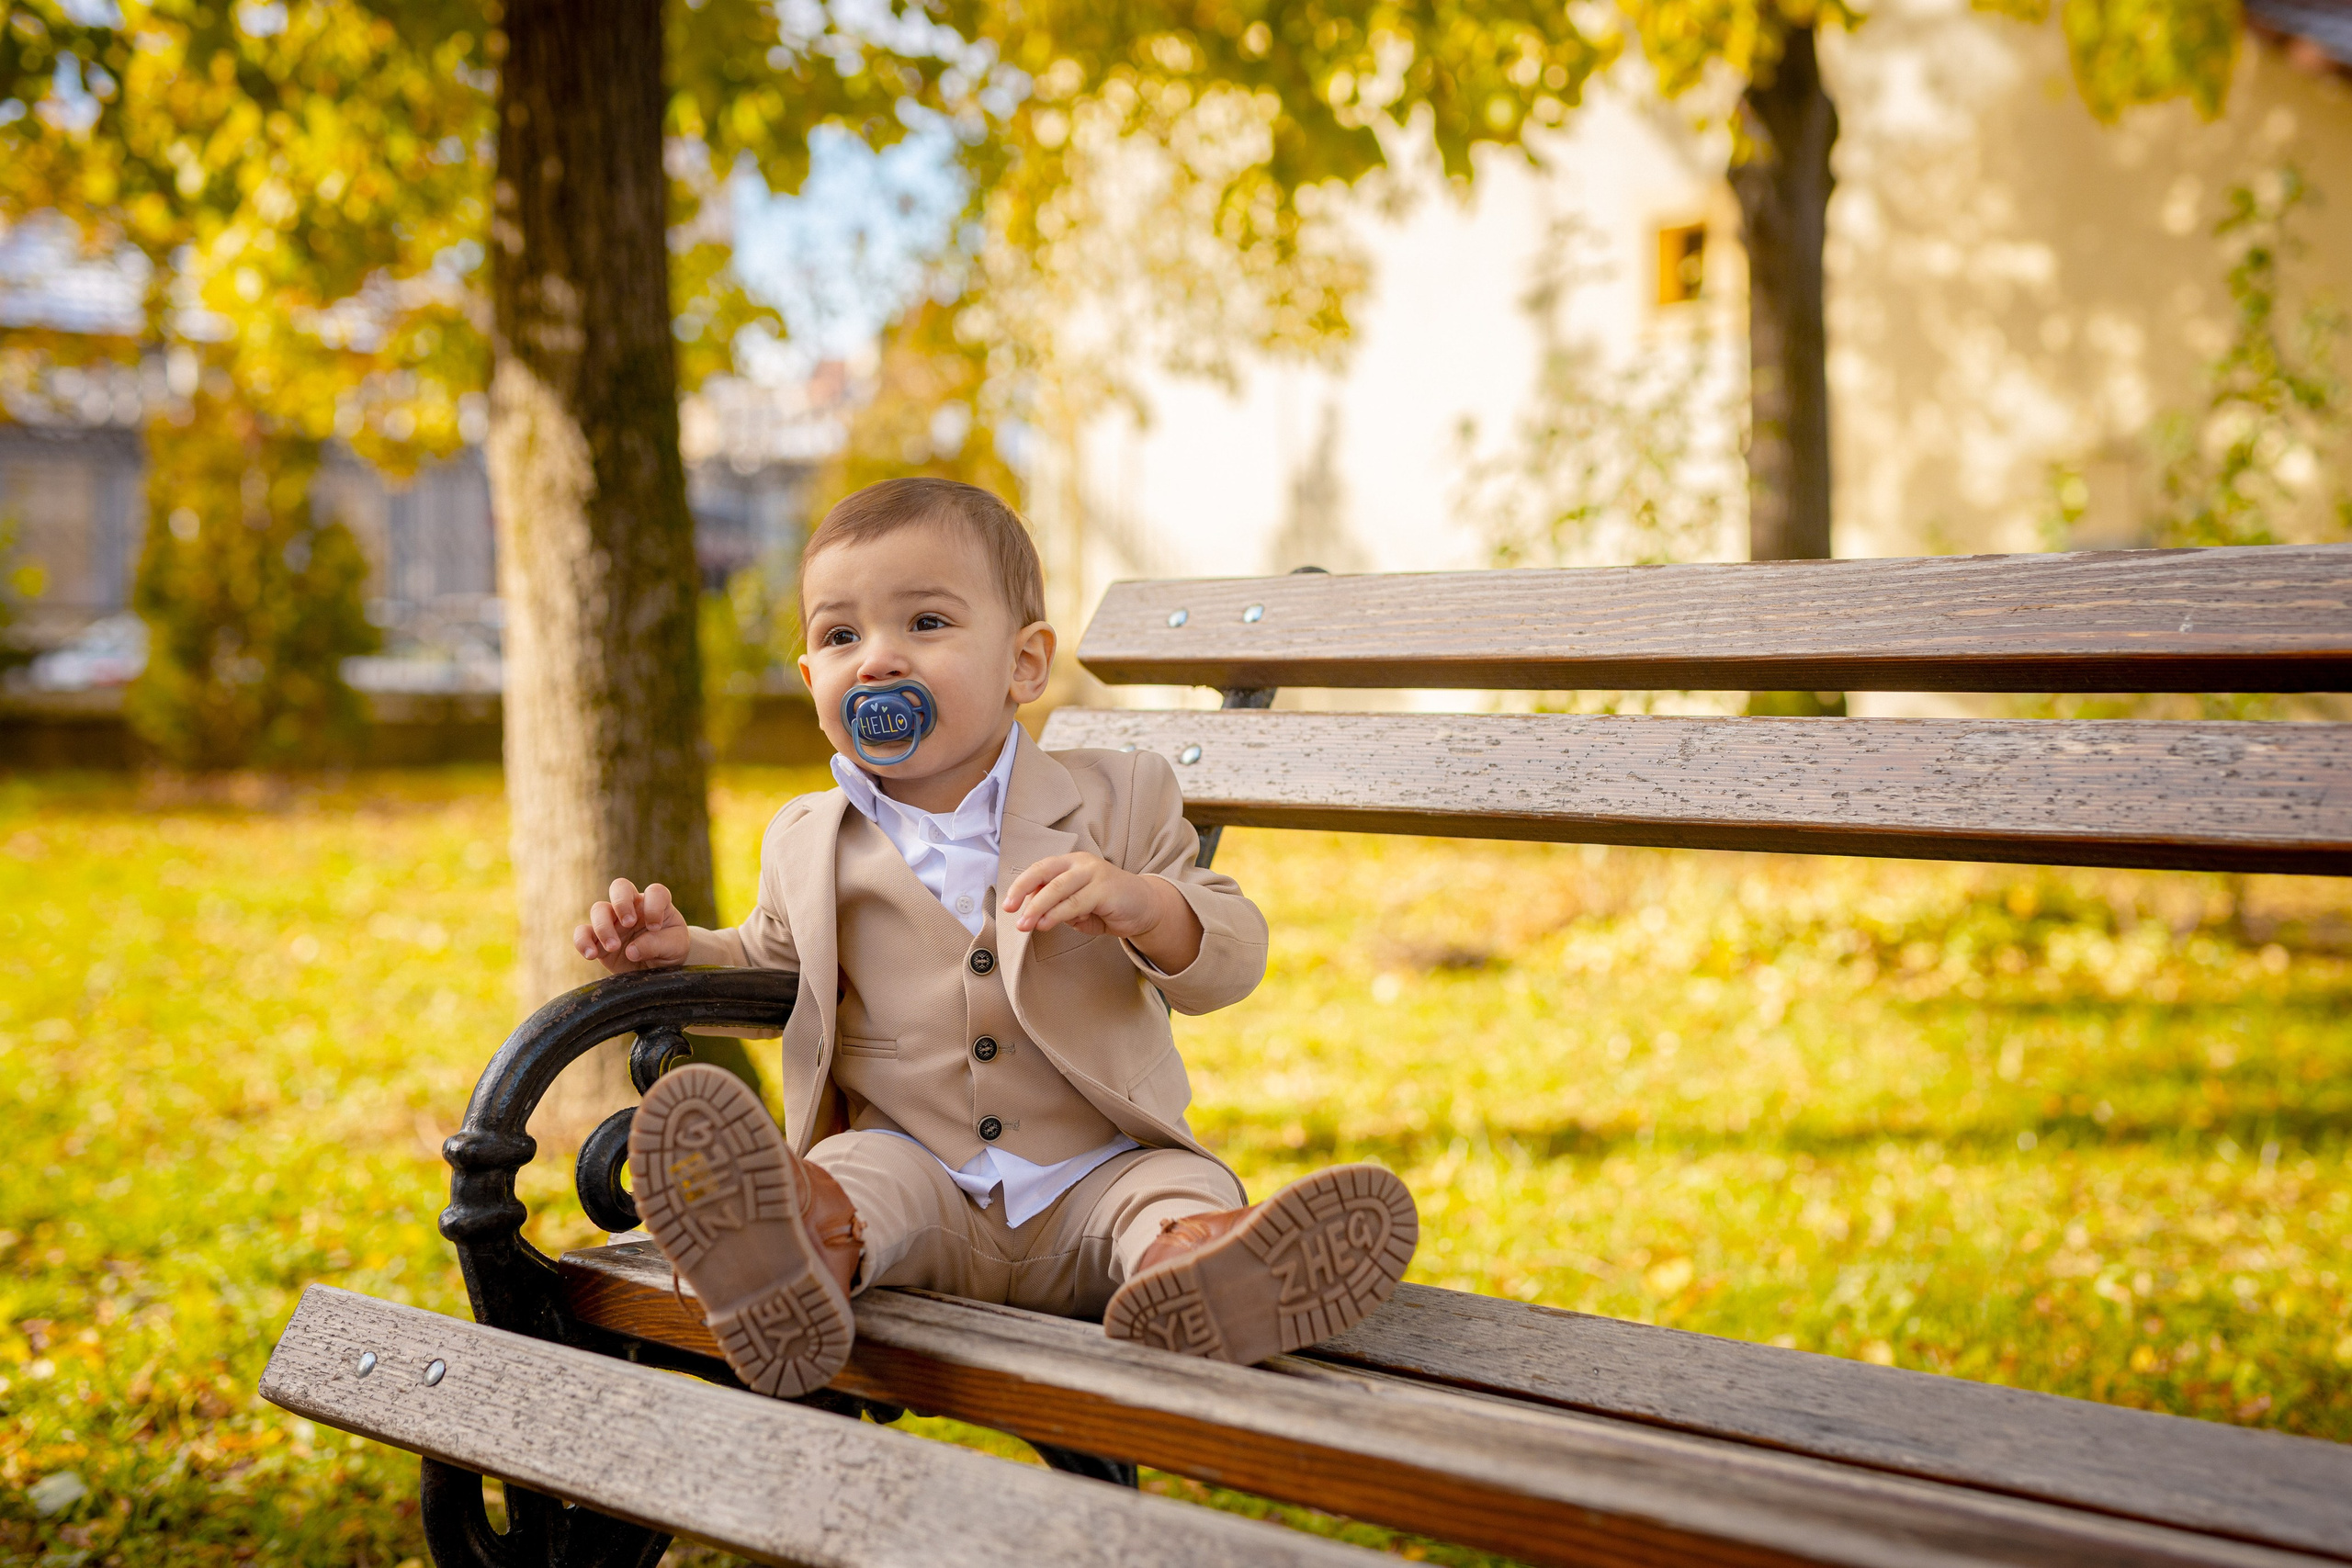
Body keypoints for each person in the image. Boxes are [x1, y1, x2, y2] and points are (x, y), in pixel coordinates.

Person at [574, 477, 1418, 1399]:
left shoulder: (1116, 799)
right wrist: (682, 952)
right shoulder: (807, 838)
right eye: (840, 635)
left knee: (1174, 1191)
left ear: (1024, 664)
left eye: (926, 622)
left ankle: (1201, 1272)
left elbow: (1231, 954)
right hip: (917, 1180)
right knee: (852, 1174)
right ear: (812, 679)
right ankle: (791, 1254)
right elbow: (774, 967)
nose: (878, 659)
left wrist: (1143, 904)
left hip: (1097, 1174)